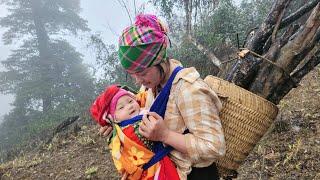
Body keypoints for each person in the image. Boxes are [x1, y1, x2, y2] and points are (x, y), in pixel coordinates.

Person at [100, 14, 226, 180]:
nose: (139, 81)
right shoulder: (152, 87)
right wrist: (116, 124)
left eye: (142, 73)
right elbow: (136, 110)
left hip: (196, 174)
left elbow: (215, 147)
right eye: (133, 75)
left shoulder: (188, 89)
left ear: (160, 60)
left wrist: (165, 135)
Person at [90, 85, 180, 180]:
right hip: (155, 169)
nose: (129, 106)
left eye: (130, 101)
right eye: (121, 108)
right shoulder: (130, 129)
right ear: (114, 118)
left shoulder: (141, 112)